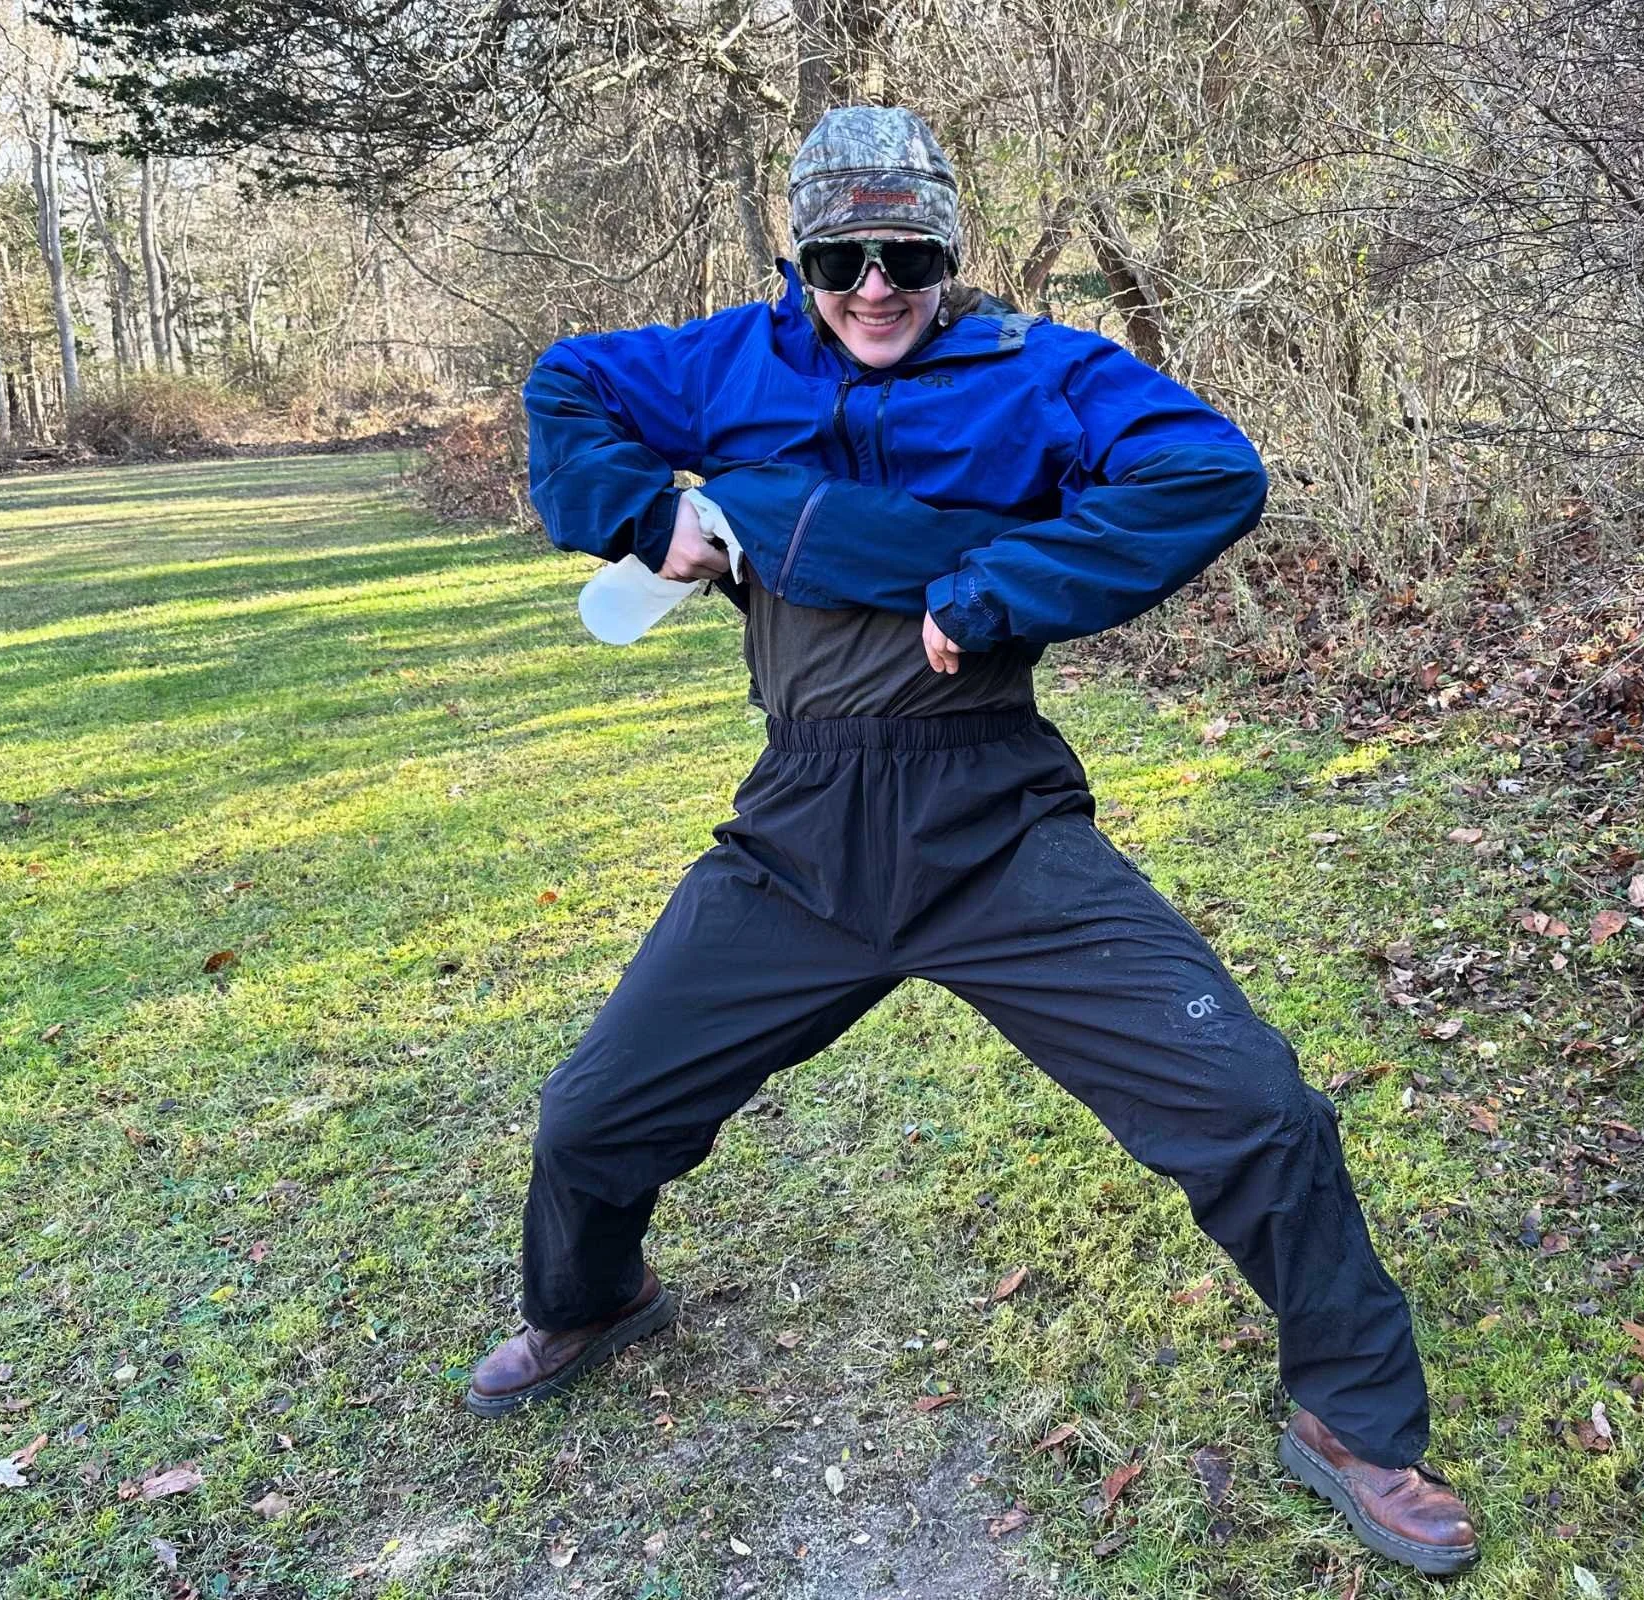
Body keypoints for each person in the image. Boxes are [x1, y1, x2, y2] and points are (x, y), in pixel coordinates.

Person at [470, 105, 1478, 1576]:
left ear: (952, 248)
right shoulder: (729, 364)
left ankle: (1351, 1421)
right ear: (796, 252)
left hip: (993, 821)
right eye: (841, 253)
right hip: (800, 833)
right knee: (592, 1117)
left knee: (1256, 1105)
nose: (875, 283)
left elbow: (1211, 474)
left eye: (909, 251)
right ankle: (596, 1298)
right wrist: (642, 512)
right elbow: (565, 386)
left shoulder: (1042, 374)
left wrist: (993, 587)